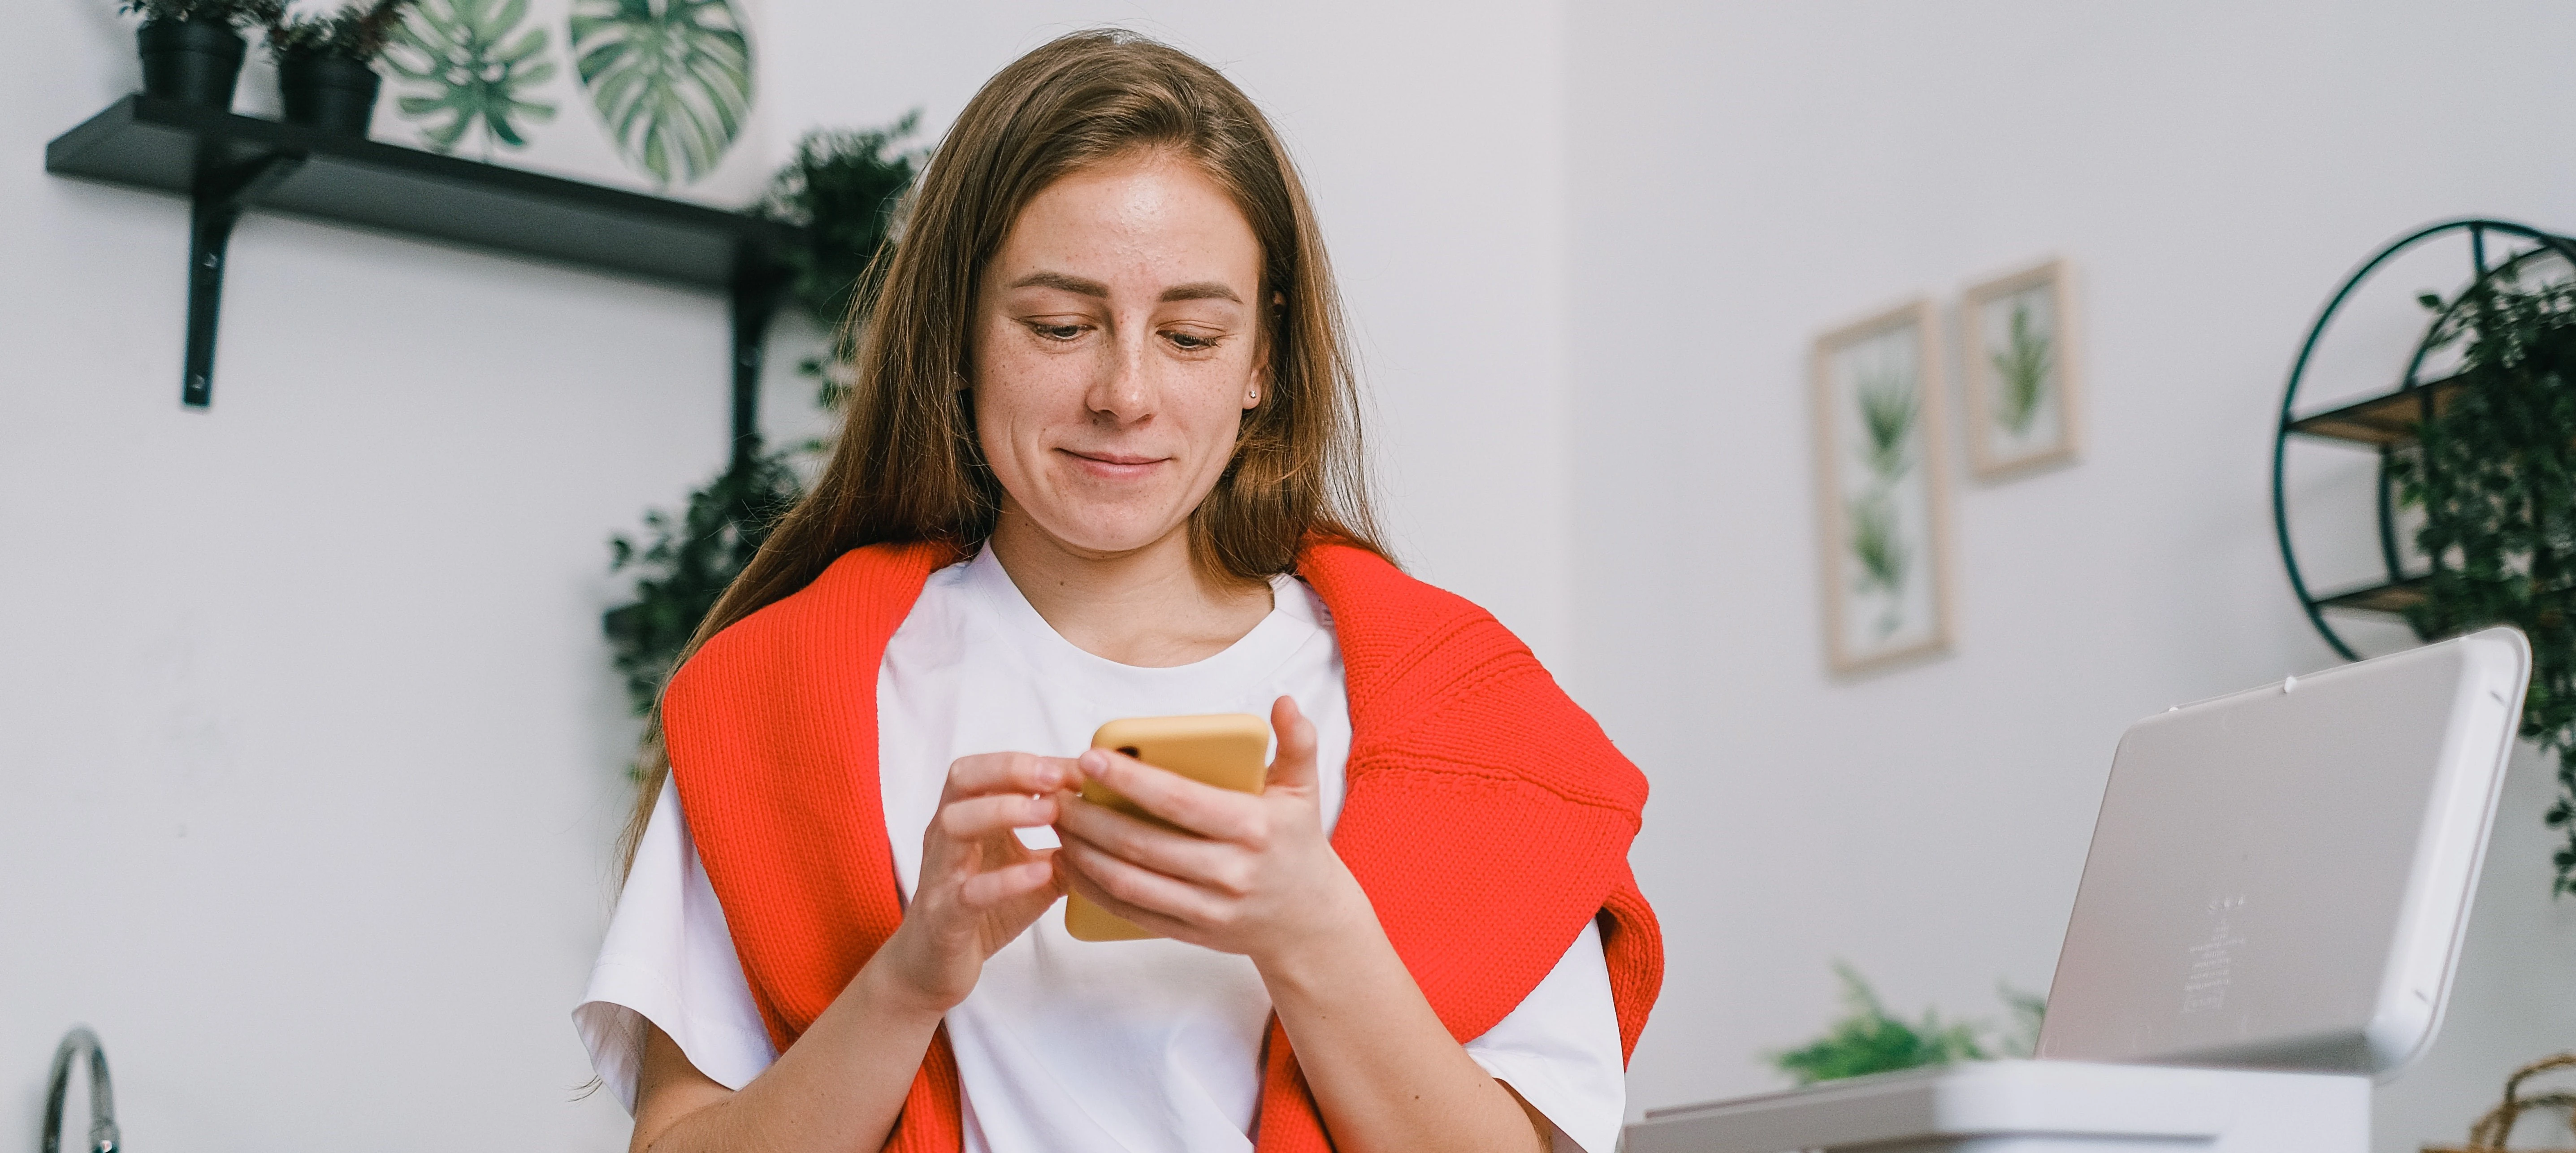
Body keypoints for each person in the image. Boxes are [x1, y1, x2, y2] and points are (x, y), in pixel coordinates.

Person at [574, 29, 1660, 1153]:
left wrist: (1313, 929)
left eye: (1190, 334)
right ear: (956, 335)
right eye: (1059, 325)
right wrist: (907, 976)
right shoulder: (782, 697)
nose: (1125, 392)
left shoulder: (1457, 714)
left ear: (1262, 364)